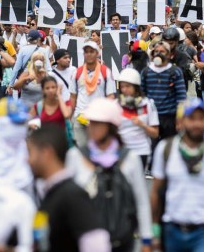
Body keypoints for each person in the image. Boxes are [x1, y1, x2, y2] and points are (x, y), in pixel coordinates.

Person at [66, 98, 153, 251]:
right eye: (91, 122)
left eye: (98, 123)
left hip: (122, 240)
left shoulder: (130, 158)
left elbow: (141, 201)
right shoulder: (75, 156)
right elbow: (68, 201)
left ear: (111, 126)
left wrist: (146, 239)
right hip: (86, 241)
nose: (91, 127)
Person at [151, 98, 204, 252]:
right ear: (180, 122)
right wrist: (154, 233)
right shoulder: (166, 149)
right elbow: (156, 193)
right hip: (172, 230)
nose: (196, 124)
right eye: (191, 118)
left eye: (200, 118)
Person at [27, 125, 111, 252]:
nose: (28, 160)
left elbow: (97, 244)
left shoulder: (72, 195)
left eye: (30, 152)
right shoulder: (51, 193)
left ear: (46, 152)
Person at [70, 41, 116, 146]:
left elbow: (110, 96)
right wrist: (70, 117)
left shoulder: (106, 72)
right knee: (82, 151)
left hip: (98, 117)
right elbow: (73, 96)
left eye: (92, 51)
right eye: (86, 52)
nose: (89, 54)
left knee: (97, 149)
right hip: (80, 117)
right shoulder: (77, 72)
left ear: (97, 53)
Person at [141, 41, 186, 146]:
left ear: (169, 55)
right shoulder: (146, 71)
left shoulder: (175, 71)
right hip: (151, 118)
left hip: (169, 118)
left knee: (169, 148)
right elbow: (142, 95)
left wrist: (179, 120)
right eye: (156, 51)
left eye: (162, 51)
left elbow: (181, 98)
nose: (159, 54)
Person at [116, 68, 159, 169]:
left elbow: (155, 133)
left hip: (141, 151)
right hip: (121, 151)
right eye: (122, 87)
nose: (124, 90)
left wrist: (143, 125)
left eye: (128, 86)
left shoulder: (148, 104)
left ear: (136, 87)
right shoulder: (116, 105)